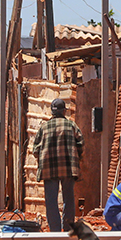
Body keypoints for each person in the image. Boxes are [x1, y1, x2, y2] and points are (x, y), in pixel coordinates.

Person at [31, 97, 84, 232]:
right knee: (69, 199)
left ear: (52, 111)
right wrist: (77, 157)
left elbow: (35, 149)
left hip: (49, 169)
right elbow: (81, 144)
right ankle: (67, 229)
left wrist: (43, 159)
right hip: (68, 168)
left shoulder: (44, 127)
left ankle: (54, 231)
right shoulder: (71, 125)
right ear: (64, 111)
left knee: (51, 201)